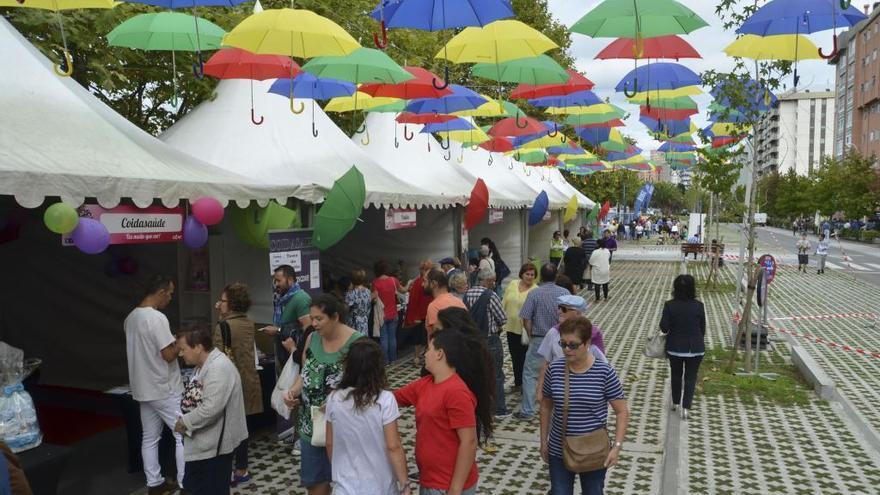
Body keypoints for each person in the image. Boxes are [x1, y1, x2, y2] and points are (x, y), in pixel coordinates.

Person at [394, 328, 494, 495]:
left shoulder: (456, 392)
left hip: (447, 485)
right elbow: (392, 399)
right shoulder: (425, 384)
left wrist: (455, 488)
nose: (425, 354)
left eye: (429, 349)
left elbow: (469, 442)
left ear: (440, 354)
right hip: (430, 480)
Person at [284, 295, 364, 495]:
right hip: (311, 426)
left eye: (319, 319)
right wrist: (293, 391)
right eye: (312, 318)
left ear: (335, 317)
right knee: (316, 482)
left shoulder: (357, 343)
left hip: (343, 427)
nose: (313, 323)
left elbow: (366, 386)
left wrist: (338, 403)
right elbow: (305, 374)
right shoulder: (312, 339)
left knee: (347, 484)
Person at [540, 316, 628, 495]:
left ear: (587, 343)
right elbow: (546, 406)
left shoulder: (604, 372)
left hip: (594, 449)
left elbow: (622, 412)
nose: (566, 349)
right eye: (563, 344)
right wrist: (543, 441)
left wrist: (617, 447)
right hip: (559, 447)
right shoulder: (555, 370)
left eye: (573, 345)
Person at [123, 275, 184, 494]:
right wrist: (180, 342)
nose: (170, 298)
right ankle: (186, 484)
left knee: (149, 438)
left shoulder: (130, 318)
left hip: (142, 388)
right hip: (164, 387)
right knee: (183, 435)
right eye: (170, 293)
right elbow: (168, 355)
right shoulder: (157, 319)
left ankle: (154, 484)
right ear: (160, 292)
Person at [325, 339, 410, 495]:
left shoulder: (334, 399)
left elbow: (330, 444)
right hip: (381, 487)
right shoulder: (385, 399)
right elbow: (393, 446)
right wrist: (405, 484)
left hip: (344, 487)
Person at [174, 328, 248, 495]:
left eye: (183, 349)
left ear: (198, 347)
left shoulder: (219, 368)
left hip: (214, 451)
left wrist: (184, 423)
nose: (180, 354)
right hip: (202, 446)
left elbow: (211, 408)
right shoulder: (203, 365)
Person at [211, 283, 262, 487]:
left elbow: (217, 357)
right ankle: (242, 468)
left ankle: (231, 469)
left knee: (227, 427)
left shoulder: (223, 326)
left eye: (222, 300)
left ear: (230, 304)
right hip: (248, 379)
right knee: (242, 427)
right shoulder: (249, 323)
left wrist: (220, 320)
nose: (218, 304)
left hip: (229, 382)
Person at [516, 264, 570, 421]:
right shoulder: (564, 293)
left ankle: (528, 410)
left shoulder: (534, 293)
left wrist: (530, 333)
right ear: (555, 276)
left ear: (540, 276)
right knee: (560, 373)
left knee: (530, 374)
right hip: (561, 338)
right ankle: (559, 410)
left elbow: (526, 317)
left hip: (539, 338)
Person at [536, 296, 607, 403]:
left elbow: (602, 366)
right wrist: (540, 389)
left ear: (578, 313)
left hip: (585, 390)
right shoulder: (553, 332)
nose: (559, 311)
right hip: (558, 388)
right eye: (559, 307)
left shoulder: (593, 334)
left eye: (564, 309)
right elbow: (546, 363)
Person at [660, 275, 706, 421]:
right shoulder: (699, 306)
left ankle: (675, 402)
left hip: (675, 348)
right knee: (691, 377)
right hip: (696, 348)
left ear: (675, 288)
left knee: (676, 375)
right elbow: (702, 328)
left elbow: (664, 327)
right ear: (693, 288)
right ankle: (686, 408)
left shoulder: (669, 305)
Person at [463, 269, 509, 418]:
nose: (494, 283)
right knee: (496, 374)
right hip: (490, 340)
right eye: (493, 281)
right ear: (487, 281)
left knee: (475, 373)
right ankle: (499, 409)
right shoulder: (491, 295)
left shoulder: (468, 294)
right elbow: (502, 318)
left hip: (472, 340)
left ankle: (475, 406)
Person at [263, 265, 312, 373]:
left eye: (278, 280)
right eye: (275, 281)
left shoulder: (301, 299)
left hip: (296, 359)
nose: (276, 284)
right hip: (285, 356)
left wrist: (278, 330)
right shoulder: (282, 299)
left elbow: (308, 332)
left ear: (289, 280)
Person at [501, 263, 538, 391]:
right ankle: (517, 383)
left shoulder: (535, 290)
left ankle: (525, 385)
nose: (529, 277)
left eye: (532, 274)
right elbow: (504, 301)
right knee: (514, 356)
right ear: (522, 274)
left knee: (525, 358)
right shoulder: (512, 284)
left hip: (525, 330)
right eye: (527, 274)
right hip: (511, 327)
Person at [372, 261, 408, 364]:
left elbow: (373, 298)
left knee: (383, 338)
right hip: (393, 313)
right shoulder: (393, 280)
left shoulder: (375, 282)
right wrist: (410, 283)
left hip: (382, 315)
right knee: (392, 337)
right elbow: (404, 290)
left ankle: (385, 361)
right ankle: (393, 359)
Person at [403, 260, 435, 367]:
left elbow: (412, 300)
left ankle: (417, 358)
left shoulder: (417, 282)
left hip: (422, 314)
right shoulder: (427, 282)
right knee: (427, 337)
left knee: (419, 338)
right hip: (426, 314)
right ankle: (424, 358)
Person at [425, 269, 467, 336]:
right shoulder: (459, 302)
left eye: (425, 281)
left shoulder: (434, 306)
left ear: (433, 283)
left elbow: (437, 336)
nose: (422, 284)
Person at [345, 269, 372, 335]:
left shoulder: (351, 293)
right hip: (364, 320)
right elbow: (369, 307)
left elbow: (346, 308)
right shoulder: (368, 291)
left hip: (354, 322)